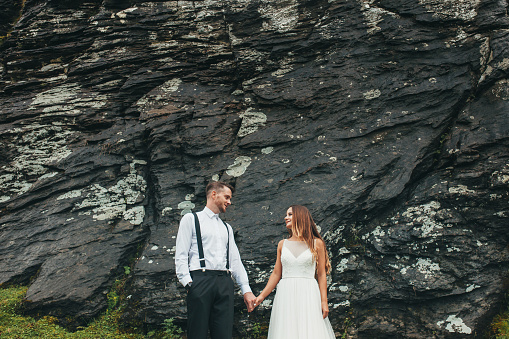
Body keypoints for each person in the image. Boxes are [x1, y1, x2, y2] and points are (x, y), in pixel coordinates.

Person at [175, 181, 256, 339]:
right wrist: (188, 283)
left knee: (224, 334)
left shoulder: (227, 228)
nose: (229, 201)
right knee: (197, 333)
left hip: (224, 282)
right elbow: (181, 254)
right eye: (226, 197)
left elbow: (235, 260)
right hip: (201, 280)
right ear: (214, 194)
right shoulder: (191, 219)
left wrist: (246, 289)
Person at [253, 205, 336, 338]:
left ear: (300, 216)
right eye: (286, 214)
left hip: (308, 293)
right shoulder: (282, 244)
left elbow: (321, 275)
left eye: (290, 214)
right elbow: (276, 273)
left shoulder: (317, 243)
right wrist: (261, 296)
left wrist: (324, 301)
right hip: (286, 293)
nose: (286, 217)